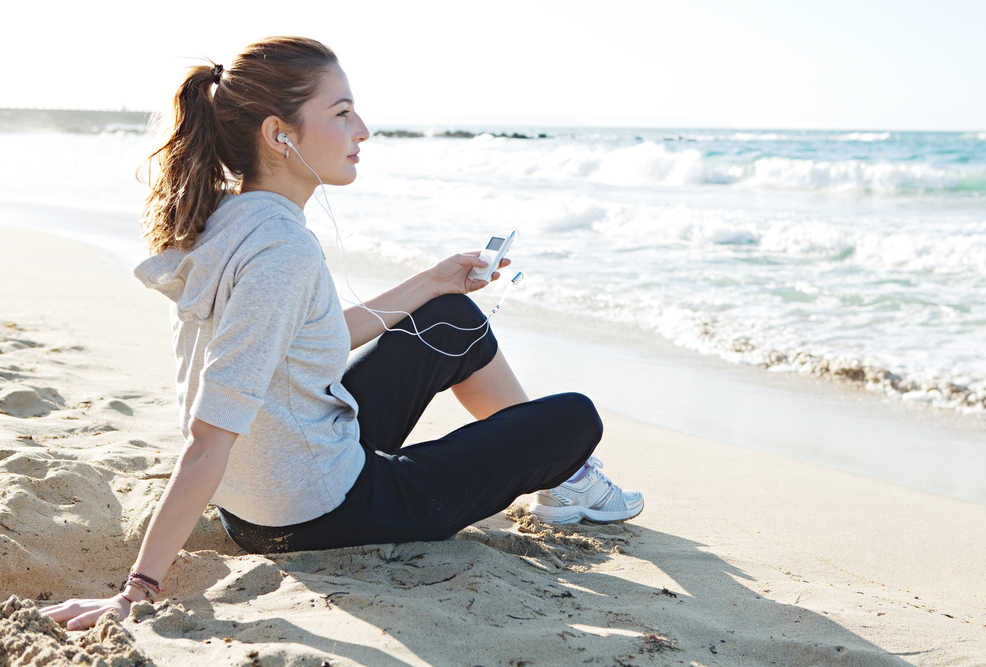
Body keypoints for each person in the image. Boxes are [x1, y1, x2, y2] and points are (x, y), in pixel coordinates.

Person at [42, 36, 642, 631]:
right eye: (341, 112)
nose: (363, 129)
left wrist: (434, 280)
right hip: (313, 515)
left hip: (273, 485)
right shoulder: (282, 253)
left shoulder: (234, 217)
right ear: (281, 135)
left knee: (451, 320)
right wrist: (137, 591)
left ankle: (565, 484)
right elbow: (208, 434)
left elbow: (311, 339)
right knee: (574, 421)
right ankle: (570, 476)